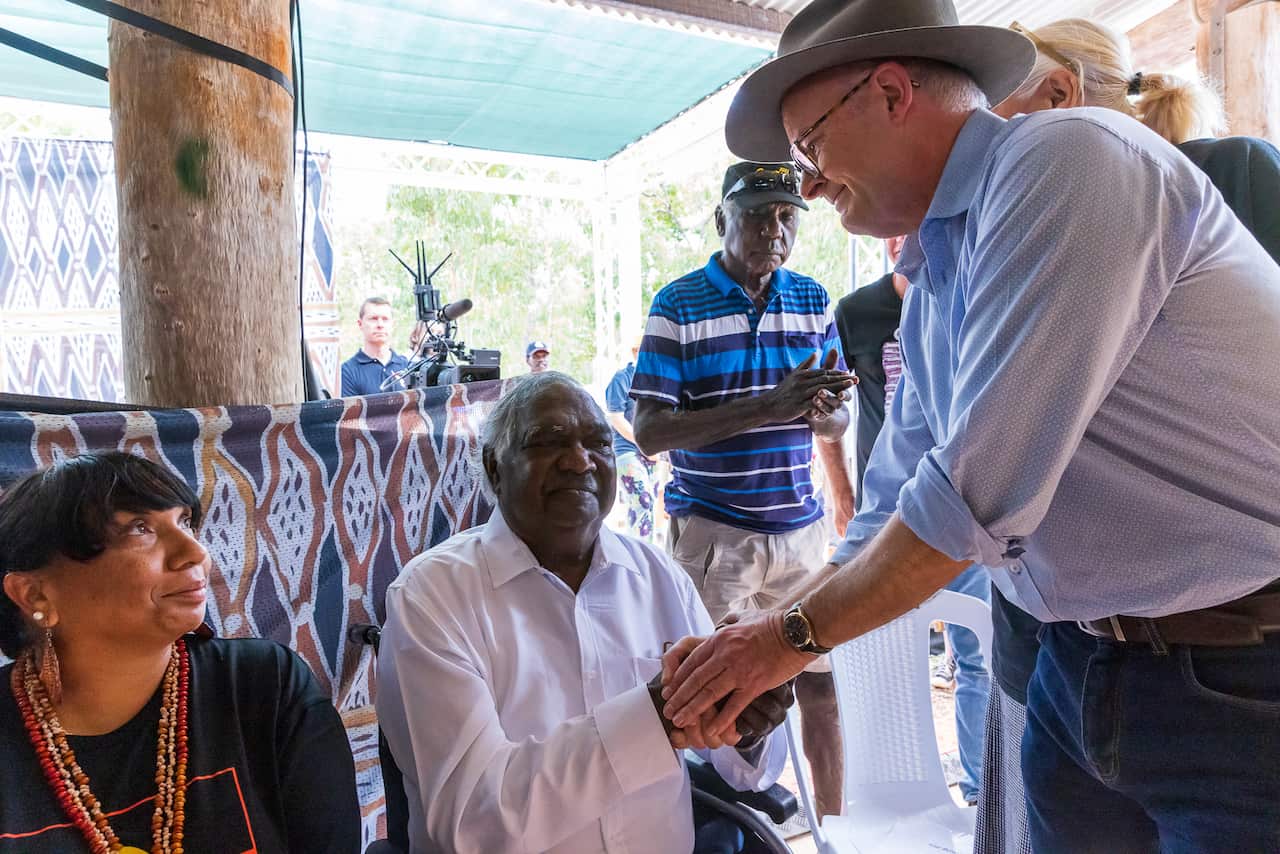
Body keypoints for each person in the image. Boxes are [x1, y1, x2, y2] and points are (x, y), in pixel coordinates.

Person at [659, 1, 1280, 852]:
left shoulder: (1069, 160)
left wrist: (781, 640)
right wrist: (783, 648)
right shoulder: (938, 286)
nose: (805, 186)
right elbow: (886, 512)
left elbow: (970, 503)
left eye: (809, 149)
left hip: (1244, 676)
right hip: (1080, 668)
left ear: (889, 93)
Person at [971, 18, 1280, 854]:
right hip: (1076, 651)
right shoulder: (998, 235)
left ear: (1058, 97)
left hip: (1232, 655)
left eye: (985, 107)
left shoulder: (1236, 175)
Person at [375, 372, 791, 854]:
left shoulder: (657, 575)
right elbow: (477, 823)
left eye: (598, 442)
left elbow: (747, 771)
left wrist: (745, 715)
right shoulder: (432, 597)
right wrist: (653, 715)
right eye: (548, 442)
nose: (579, 461)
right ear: (494, 468)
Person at [631, 160, 856, 820]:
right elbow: (648, 431)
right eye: (758, 215)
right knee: (700, 695)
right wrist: (770, 405)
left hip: (801, 530)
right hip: (713, 534)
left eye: (788, 217)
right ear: (721, 220)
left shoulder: (813, 299)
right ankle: (709, 825)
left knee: (819, 684)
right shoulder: (677, 305)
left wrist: (823, 413)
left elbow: (838, 413)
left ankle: (830, 828)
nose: (774, 230)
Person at [0, 452, 360, 853]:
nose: (195, 554)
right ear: (35, 593)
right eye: (140, 529)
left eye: (186, 522)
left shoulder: (263, 688)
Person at [834, 234, 991, 807]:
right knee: (887, 658)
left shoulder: (996, 273)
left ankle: (980, 794)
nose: (815, 184)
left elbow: (981, 484)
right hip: (904, 518)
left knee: (980, 664)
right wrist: (788, 619)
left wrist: (787, 633)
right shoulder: (886, 309)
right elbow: (895, 456)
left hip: (980, 532)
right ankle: (895, 801)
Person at [605, 336, 660, 542]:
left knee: (650, 505)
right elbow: (616, 418)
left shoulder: (655, 381)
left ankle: (644, 552)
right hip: (627, 450)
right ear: (636, 351)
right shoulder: (622, 378)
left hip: (651, 453)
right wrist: (644, 443)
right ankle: (640, 557)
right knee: (641, 503)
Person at [341, 296, 410, 396]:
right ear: (360, 324)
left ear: (392, 324)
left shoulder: (407, 366)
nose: (380, 324)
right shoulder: (348, 371)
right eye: (373, 319)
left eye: (385, 319)